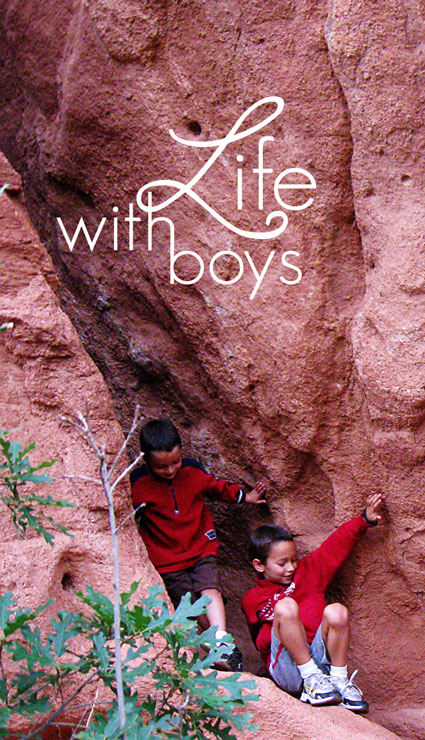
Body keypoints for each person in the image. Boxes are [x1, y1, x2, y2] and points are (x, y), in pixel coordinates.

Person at [130, 418, 266, 671]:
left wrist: (246, 497)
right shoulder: (138, 484)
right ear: (145, 460)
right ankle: (217, 650)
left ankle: (221, 641)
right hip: (167, 559)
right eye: (161, 466)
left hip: (201, 546)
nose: (170, 470)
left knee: (209, 587)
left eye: (175, 462)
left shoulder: (192, 472)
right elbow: (125, 512)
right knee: (191, 607)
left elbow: (217, 488)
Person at [241, 493, 383, 711]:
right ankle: (310, 680)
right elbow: (262, 643)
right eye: (282, 563)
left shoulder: (308, 573)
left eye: (293, 560)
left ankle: (338, 680)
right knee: (286, 607)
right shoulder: (253, 599)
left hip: (320, 665)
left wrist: (364, 520)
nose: (291, 568)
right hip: (288, 669)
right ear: (260, 565)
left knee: (336, 611)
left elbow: (335, 547)